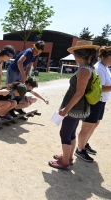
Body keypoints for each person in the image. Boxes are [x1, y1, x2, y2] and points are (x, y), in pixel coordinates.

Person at [49, 40, 99, 170]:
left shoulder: (84, 70)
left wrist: (66, 109)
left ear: (78, 55)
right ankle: (69, 157)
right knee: (71, 133)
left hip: (74, 107)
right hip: (78, 107)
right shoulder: (88, 69)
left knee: (65, 133)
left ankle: (65, 161)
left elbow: (79, 93)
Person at [75, 46, 111, 162]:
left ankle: (84, 144)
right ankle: (80, 149)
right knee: (87, 126)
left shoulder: (105, 68)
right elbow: (98, 88)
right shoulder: (99, 68)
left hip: (101, 101)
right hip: (95, 100)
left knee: (94, 124)